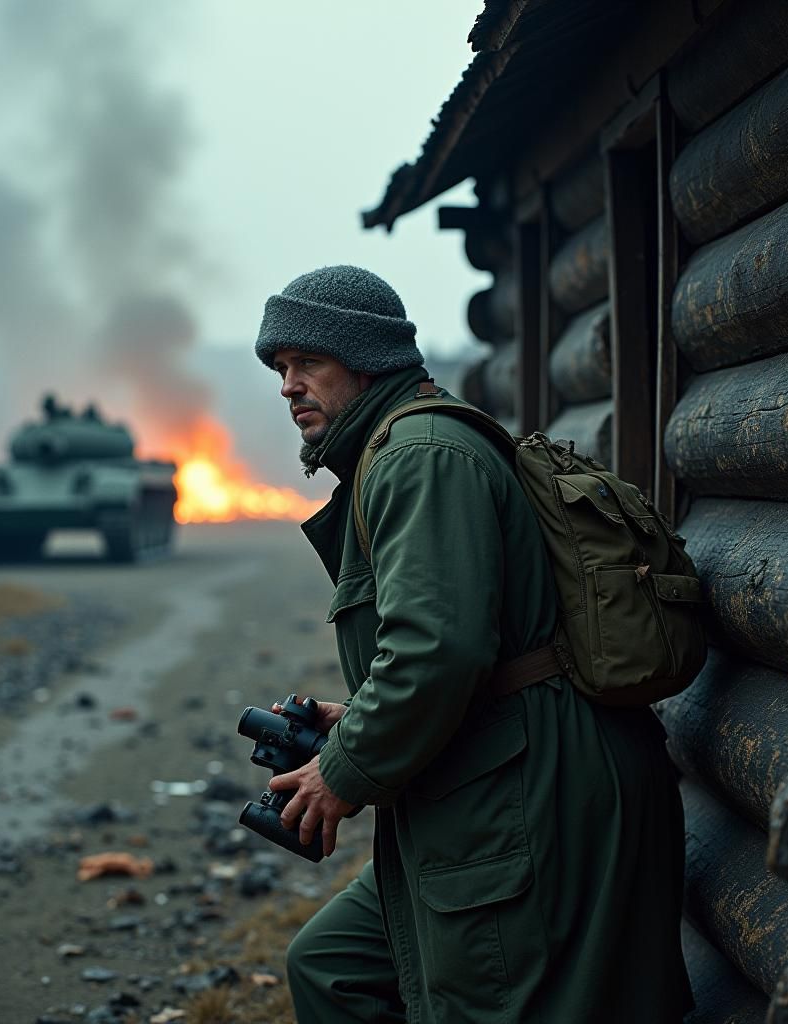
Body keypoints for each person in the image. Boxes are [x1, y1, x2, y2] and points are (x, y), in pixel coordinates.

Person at [253, 264, 693, 1023]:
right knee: (332, 967)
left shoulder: (419, 456)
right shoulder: (397, 450)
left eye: (307, 363)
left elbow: (440, 652)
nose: (289, 386)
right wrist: (350, 718)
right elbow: (456, 642)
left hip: (526, 787)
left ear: (366, 358)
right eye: (280, 368)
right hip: (486, 769)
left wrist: (343, 772)